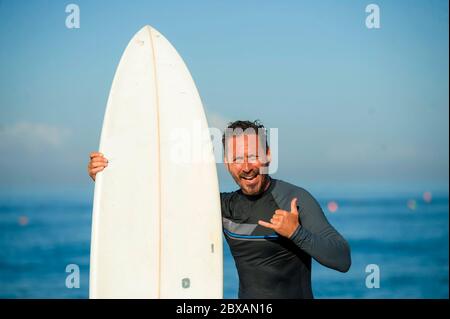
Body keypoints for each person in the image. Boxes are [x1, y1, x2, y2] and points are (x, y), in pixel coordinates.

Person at [88, 120, 351, 299]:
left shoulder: (293, 199)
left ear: (268, 154)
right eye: (237, 158)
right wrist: (108, 178)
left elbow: (342, 259)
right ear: (226, 162)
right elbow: (156, 203)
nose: (246, 166)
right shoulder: (222, 207)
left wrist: (296, 233)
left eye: (253, 156)